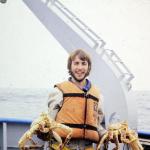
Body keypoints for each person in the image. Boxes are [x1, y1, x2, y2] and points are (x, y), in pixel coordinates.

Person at [48, 49, 106, 150]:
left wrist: (107, 134)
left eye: (84, 64)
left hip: (87, 146)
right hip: (63, 146)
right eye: (76, 63)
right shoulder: (59, 92)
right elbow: (48, 122)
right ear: (70, 66)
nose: (80, 68)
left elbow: (96, 125)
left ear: (88, 67)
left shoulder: (98, 96)